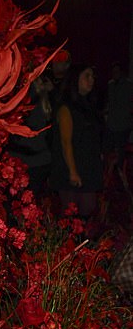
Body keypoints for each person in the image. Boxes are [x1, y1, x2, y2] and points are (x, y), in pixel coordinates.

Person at [49, 63, 103, 224]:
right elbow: (65, 142)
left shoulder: (89, 106)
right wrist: (73, 171)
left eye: (92, 76)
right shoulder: (66, 108)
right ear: (75, 79)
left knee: (87, 210)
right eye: (87, 76)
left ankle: (81, 245)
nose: (91, 80)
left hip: (88, 165)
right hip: (70, 167)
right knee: (72, 214)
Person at [104, 61, 132, 171]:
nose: (114, 73)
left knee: (120, 152)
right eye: (113, 71)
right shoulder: (110, 84)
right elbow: (109, 102)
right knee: (107, 149)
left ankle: (120, 174)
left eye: (117, 71)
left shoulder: (128, 85)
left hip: (123, 124)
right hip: (111, 124)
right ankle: (109, 172)